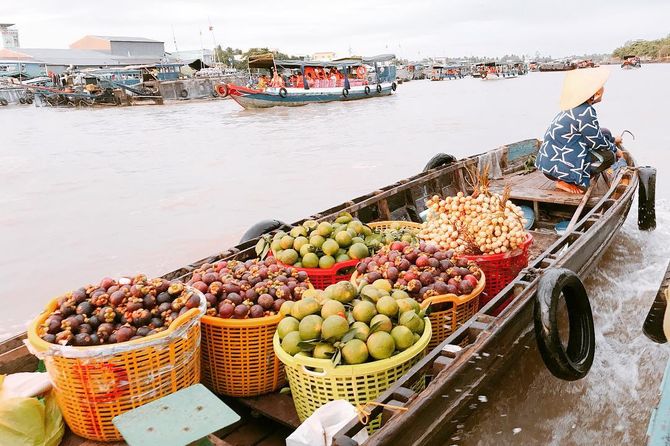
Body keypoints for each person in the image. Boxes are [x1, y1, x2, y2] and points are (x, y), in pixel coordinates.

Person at [535, 67, 623, 194]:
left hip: (547, 165)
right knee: (609, 157)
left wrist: (613, 140)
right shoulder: (586, 111)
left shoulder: (573, 107)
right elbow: (595, 142)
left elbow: (595, 133)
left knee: (606, 132)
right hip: (558, 170)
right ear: (596, 93)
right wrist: (616, 149)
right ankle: (570, 180)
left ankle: (574, 175)